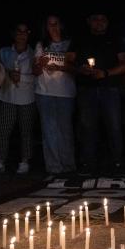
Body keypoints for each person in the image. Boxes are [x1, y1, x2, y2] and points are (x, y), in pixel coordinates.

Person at [68, 9, 125, 174]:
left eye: (102, 19)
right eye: (95, 19)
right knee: (87, 127)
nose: (99, 22)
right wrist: (80, 70)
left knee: (114, 126)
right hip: (86, 89)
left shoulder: (116, 39)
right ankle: (88, 164)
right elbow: (68, 62)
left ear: (107, 22)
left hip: (110, 88)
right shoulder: (79, 39)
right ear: (89, 21)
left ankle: (117, 163)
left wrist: (106, 73)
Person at [0, 23, 36, 174]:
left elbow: (37, 77)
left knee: (26, 131)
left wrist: (21, 77)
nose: (21, 35)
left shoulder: (33, 54)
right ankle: (0, 161)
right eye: (18, 31)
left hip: (27, 98)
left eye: (25, 32)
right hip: (7, 96)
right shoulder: (4, 52)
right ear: (13, 34)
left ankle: (25, 161)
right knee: (2, 130)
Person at [32, 14, 76, 175]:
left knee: (65, 130)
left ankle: (68, 166)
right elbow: (35, 71)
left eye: (55, 24)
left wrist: (60, 67)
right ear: (46, 27)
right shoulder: (41, 45)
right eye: (50, 25)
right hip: (44, 92)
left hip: (65, 92)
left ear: (61, 25)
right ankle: (54, 167)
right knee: (49, 130)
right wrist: (40, 64)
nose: (53, 27)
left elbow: (76, 68)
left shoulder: (69, 44)